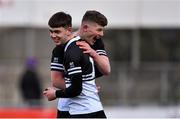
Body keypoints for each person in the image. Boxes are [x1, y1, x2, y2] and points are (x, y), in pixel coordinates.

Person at [44, 11, 110, 118]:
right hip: (68, 105)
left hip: (85, 106)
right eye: (99, 29)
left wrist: (93, 53)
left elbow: (106, 70)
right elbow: (56, 81)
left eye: (56, 32)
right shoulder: (61, 48)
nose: (101, 34)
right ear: (85, 27)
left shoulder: (95, 42)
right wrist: (83, 87)